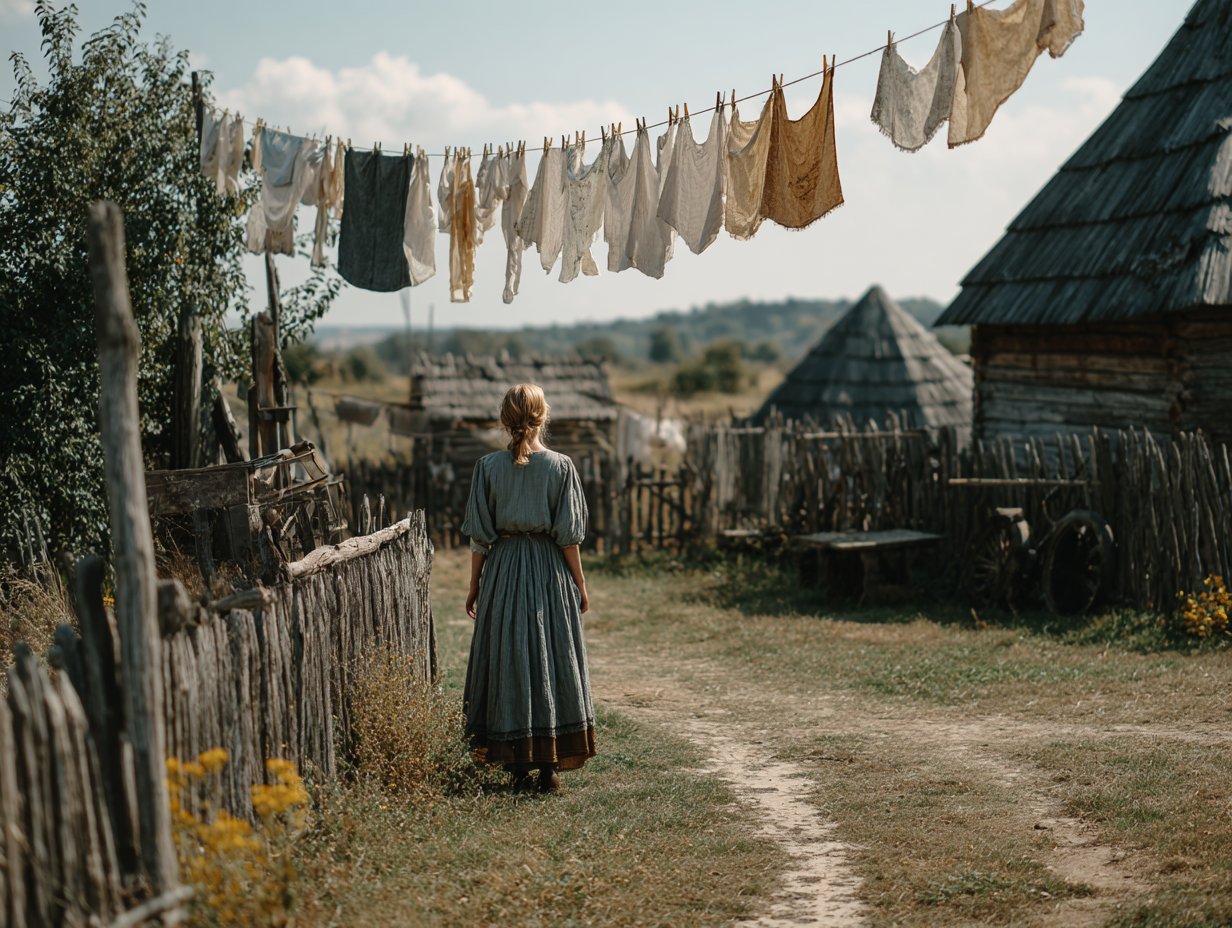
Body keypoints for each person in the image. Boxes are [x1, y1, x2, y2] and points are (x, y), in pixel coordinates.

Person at [461, 383, 596, 792]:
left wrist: (474, 585)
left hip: (502, 570)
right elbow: (568, 537)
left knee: (509, 656)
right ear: (544, 416)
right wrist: (580, 582)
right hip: (548, 570)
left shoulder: (487, 467)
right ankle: (548, 767)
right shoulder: (560, 466)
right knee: (552, 657)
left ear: (505, 419)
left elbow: (481, 536)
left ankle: (515, 763)